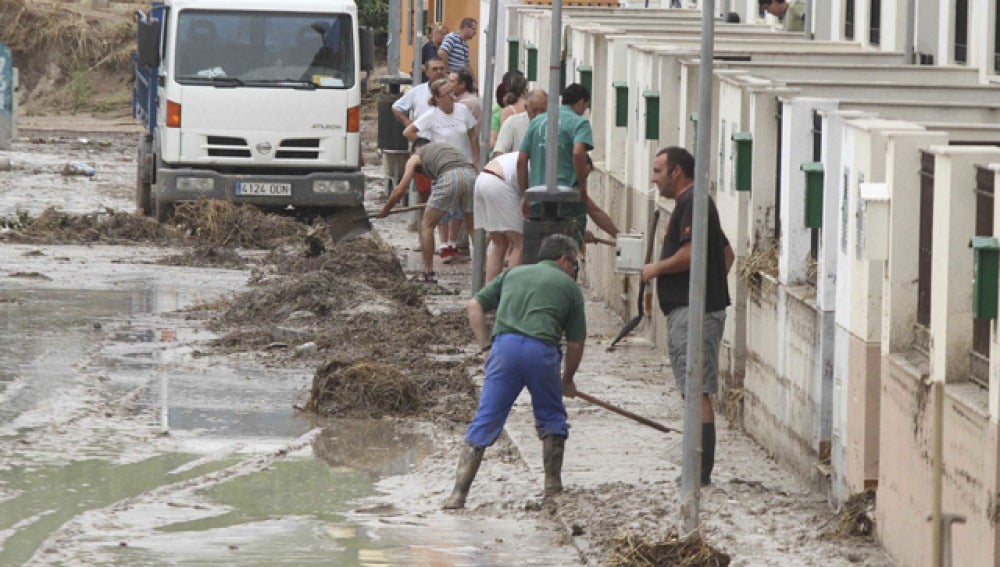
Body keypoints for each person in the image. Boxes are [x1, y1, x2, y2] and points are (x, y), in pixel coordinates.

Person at [442, 233, 586, 509]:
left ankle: (458, 495)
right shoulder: (569, 287)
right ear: (564, 260)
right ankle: (552, 488)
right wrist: (567, 380)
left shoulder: (513, 273)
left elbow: (474, 306)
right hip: (541, 353)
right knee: (552, 416)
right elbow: (576, 344)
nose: (574, 269)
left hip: (504, 351)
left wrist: (486, 348)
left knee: (485, 418)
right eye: (574, 263)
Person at [640, 147, 735, 487]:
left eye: (657, 171)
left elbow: (692, 253)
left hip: (693, 314)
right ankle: (697, 468)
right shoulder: (693, 204)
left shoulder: (693, 203)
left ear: (676, 172)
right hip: (695, 309)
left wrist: (656, 269)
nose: (653, 179)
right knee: (695, 387)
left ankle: (697, 471)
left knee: (696, 389)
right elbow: (726, 253)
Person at [518, 84, 619, 246]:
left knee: (541, 248)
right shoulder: (579, 124)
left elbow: (521, 161)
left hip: (538, 198)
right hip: (567, 199)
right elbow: (578, 153)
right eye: (585, 107)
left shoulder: (537, 122)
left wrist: (525, 194)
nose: (583, 111)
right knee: (567, 250)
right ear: (580, 103)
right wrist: (582, 186)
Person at [376, 139, 476, 284]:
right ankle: (482, 271)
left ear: (415, 149)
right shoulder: (445, 148)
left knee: (427, 225)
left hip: (449, 177)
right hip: (471, 176)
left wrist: (385, 209)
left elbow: (400, 189)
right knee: (472, 227)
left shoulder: (416, 156)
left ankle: (428, 273)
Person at [404, 78, 479, 260]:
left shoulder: (462, 111)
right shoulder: (431, 115)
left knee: (464, 209)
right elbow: (408, 131)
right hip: (442, 166)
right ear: (436, 98)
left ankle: (455, 244)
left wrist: (476, 161)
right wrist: (427, 148)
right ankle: (444, 244)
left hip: (464, 163)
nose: (450, 97)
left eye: (451, 92)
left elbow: (472, 136)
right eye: (445, 94)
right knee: (442, 205)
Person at [474, 152, 525, 282]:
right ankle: (511, 291)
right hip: (499, 182)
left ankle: (490, 293)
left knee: (499, 243)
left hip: (483, 179)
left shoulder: (523, 153)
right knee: (520, 243)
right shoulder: (544, 164)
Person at [391, 57, 447, 128]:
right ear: (427, 72)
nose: (439, 72)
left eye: (441, 69)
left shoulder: (452, 90)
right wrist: (408, 124)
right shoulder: (417, 91)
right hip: (423, 136)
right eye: (435, 69)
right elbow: (396, 107)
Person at [494, 88, 546, 156]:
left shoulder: (554, 125)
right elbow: (500, 151)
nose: (538, 115)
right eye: (534, 110)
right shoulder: (512, 122)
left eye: (542, 111)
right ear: (526, 107)